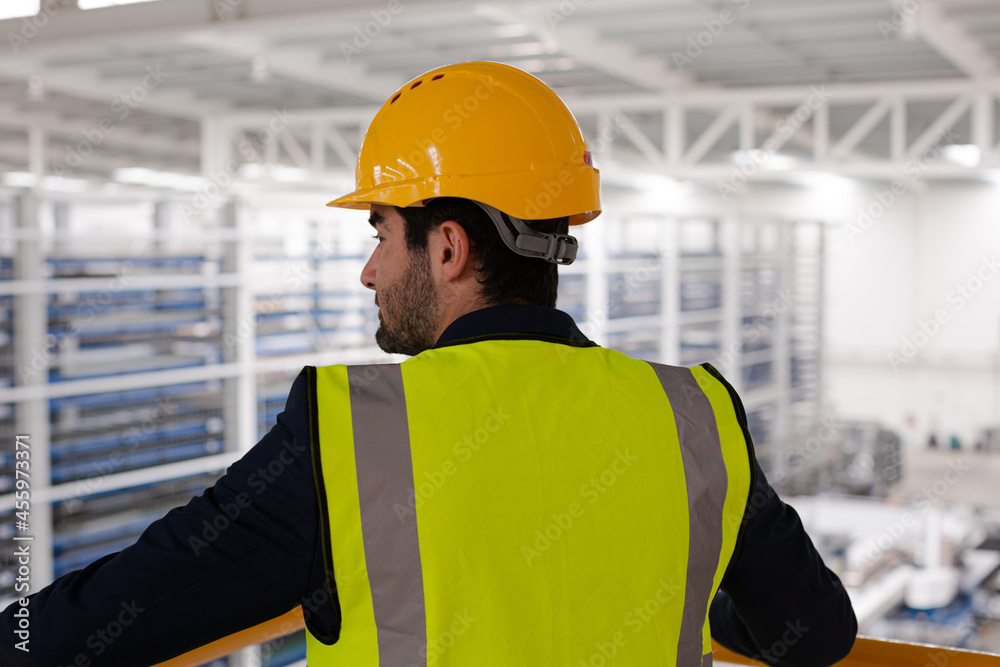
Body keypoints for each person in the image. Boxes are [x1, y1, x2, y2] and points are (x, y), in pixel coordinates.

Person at [0, 61, 856, 666]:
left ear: (448, 247)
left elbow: (113, 618)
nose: (369, 270)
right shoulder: (695, 411)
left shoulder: (349, 426)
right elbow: (815, 634)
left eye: (380, 235)